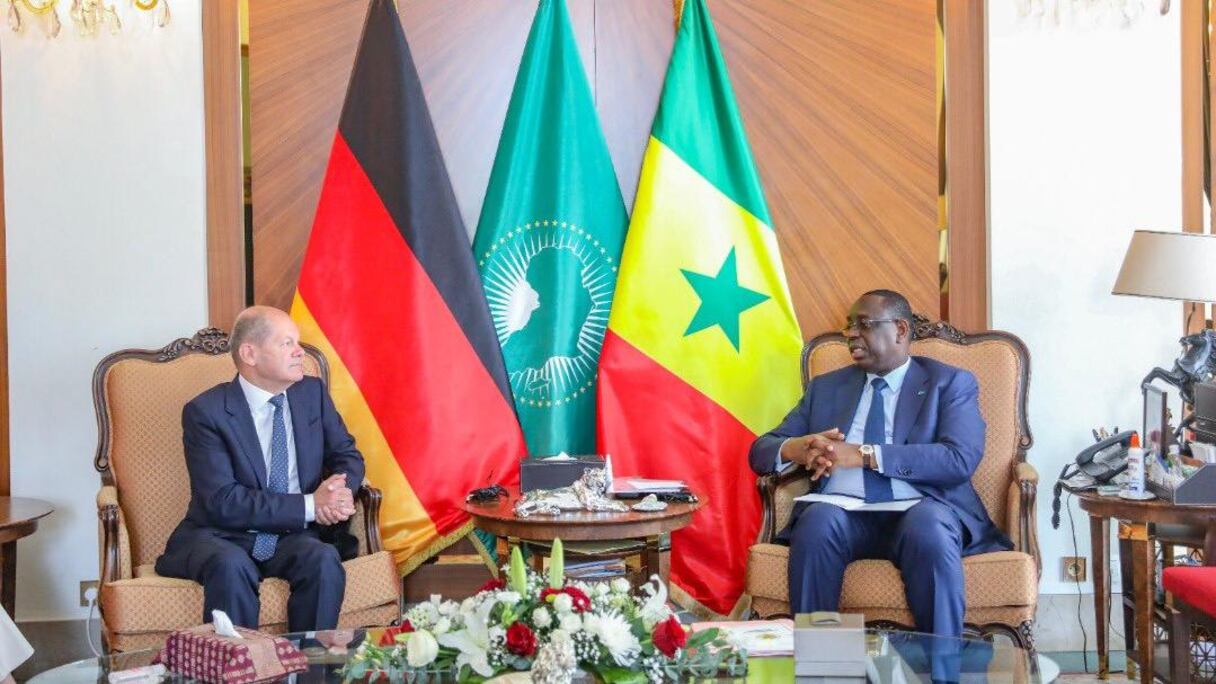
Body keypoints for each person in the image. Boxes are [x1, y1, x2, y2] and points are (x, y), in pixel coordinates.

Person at [749, 290, 1011, 641]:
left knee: (930, 528)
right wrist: (796, 448)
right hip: (841, 512)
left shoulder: (948, 383)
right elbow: (760, 452)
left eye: (864, 325)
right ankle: (826, 673)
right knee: (815, 523)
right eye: (849, 327)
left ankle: (943, 669)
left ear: (901, 329)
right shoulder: (827, 388)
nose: (851, 334)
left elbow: (959, 458)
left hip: (919, 508)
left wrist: (866, 453)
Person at [156, 306, 365, 631]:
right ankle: (239, 674)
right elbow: (222, 501)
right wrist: (313, 505)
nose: (299, 352)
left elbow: (347, 456)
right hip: (222, 535)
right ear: (250, 353)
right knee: (229, 565)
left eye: (297, 342)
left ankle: (311, 672)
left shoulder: (311, 394)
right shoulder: (206, 413)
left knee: (322, 560)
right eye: (286, 344)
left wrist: (339, 494)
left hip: (291, 535)